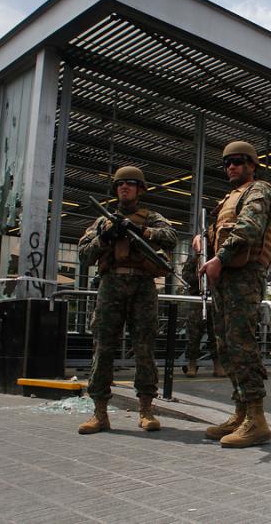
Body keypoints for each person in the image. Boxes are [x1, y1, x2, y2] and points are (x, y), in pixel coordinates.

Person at [77, 166, 177, 434]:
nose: (124, 187)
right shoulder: (102, 222)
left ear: (140, 189)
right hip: (111, 285)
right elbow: (84, 255)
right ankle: (100, 413)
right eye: (120, 183)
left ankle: (146, 410)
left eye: (131, 183)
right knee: (103, 348)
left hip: (143, 286)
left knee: (144, 348)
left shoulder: (152, 218)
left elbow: (171, 237)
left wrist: (141, 231)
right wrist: (105, 237)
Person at [197, 141, 271, 448]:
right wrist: (202, 239)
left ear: (252, 164)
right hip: (226, 280)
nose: (231, 166)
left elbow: (248, 228)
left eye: (239, 161)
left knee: (241, 344)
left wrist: (219, 258)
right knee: (226, 345)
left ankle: (256, 419)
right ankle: (242, 411)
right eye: (227, 162)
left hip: (243, 276)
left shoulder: (259, 190)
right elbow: (222, 231)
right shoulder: (228, 198)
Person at [179, 254, 224, 378]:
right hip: (197, 298)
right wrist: (199, 276)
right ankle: (192, 364)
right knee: (194, 334)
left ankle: (217, 364)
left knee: (216, 333)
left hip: (215, 297)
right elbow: (185, 275)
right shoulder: (196, 257)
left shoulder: (218, 255)